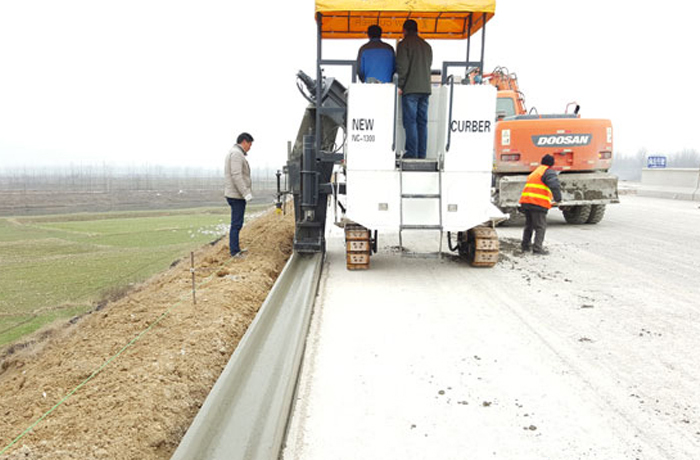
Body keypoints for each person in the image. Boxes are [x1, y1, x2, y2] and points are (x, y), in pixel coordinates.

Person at [396, 19, 432, 159]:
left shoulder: (404, 44)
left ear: (404, 30)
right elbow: (428, 65)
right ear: (417, 30)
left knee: (410, 122)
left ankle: (412, 153)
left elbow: (402, 68)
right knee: (422, 122)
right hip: (425, 89)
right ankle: (422, 154)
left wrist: (400, 85)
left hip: (410, 89)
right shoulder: (426, 45)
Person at [519, 154, 562, 255]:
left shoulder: (536, 171)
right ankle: (537, 249)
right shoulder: (548, 172)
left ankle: (525, 246)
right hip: (538, 203)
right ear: (551, 164)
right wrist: (558, 199)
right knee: (540, 227)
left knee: (529, 226)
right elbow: (554, 185)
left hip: (527, 202)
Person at [224, 132, 254, 258]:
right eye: (250, 144)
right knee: (236, 224)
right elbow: (237, 175)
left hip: (236, 194)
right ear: (244, 142)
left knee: (237, 223)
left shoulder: (236, 153)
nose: (250, 147)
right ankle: (235, 252)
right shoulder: (236, 154)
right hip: (236, 195)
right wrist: (245, 192)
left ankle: (236, 249)